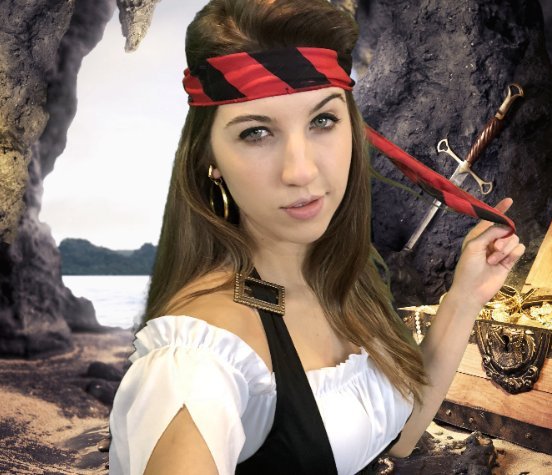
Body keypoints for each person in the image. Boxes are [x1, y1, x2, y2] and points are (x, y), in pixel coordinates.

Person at [108, 0, 525, 473]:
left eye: (322, 121)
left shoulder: (345, 278)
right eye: (256, 132)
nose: (301, 170)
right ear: (210, 158)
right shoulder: (197, 359)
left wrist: (465, 296)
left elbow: (399, 436)